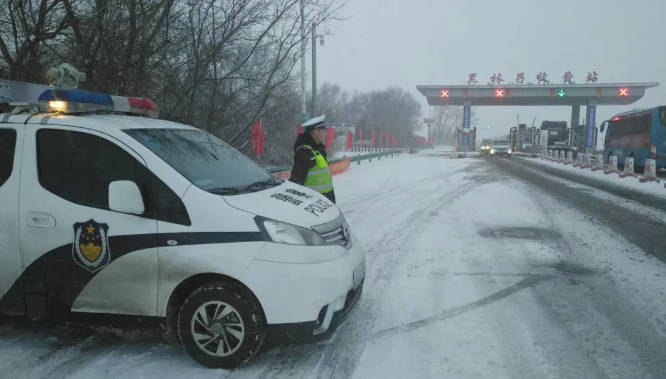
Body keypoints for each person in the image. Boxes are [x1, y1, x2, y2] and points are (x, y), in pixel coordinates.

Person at [289, 115, 336, 204]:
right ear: (316, 132)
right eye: (323, 131)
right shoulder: (304, 152)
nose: (325, 134)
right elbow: (295, 183)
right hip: (313, 206)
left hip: (328, 203)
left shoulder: (320, 149)